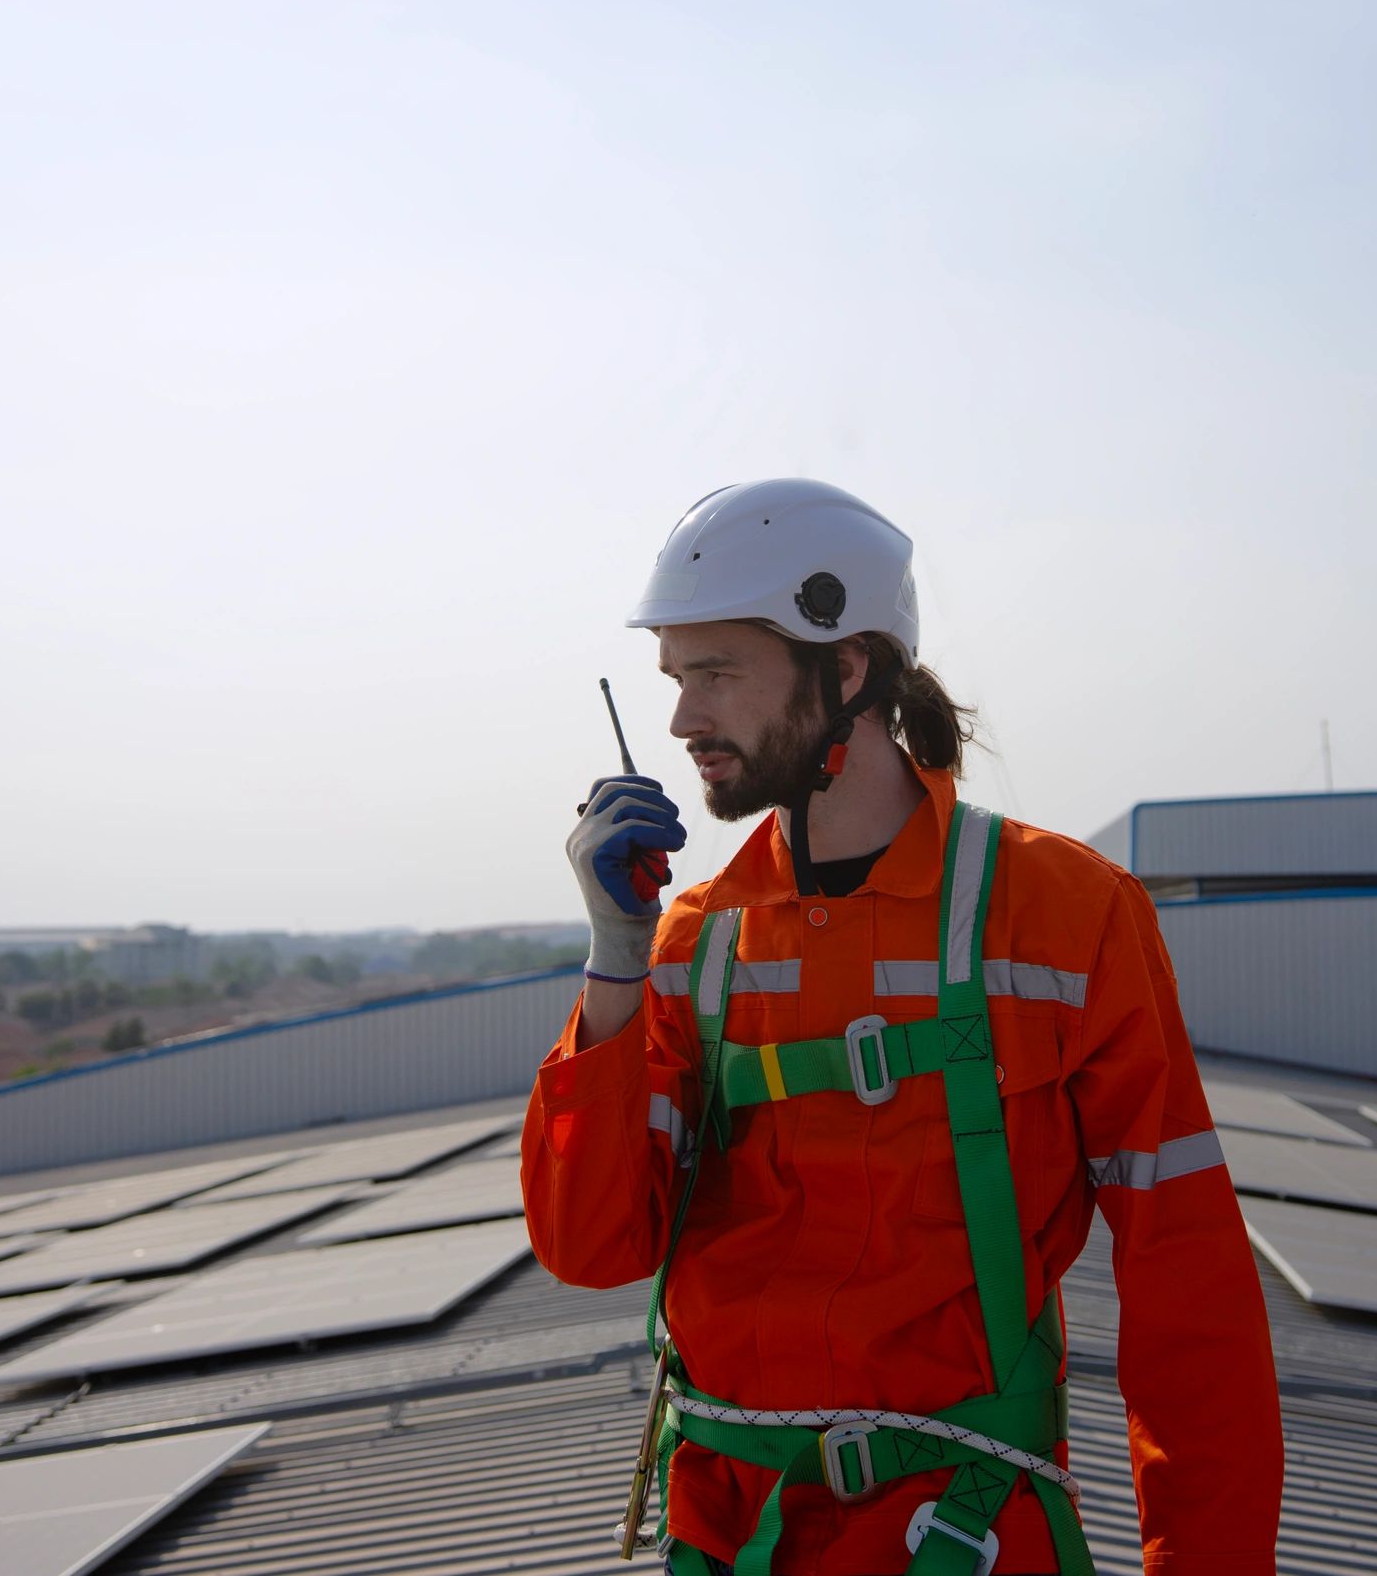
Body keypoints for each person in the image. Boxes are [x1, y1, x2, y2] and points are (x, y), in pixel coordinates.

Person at [523, 480, 1281, 1576]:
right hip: (736, 1544)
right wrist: (612, 962)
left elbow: (1191, 1290)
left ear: (848, 667)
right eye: (677, 680)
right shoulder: (692, 944)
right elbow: (591, 1249)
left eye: (718, 674)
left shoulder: (1065, 917)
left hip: (956, 1538)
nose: (684, 719)